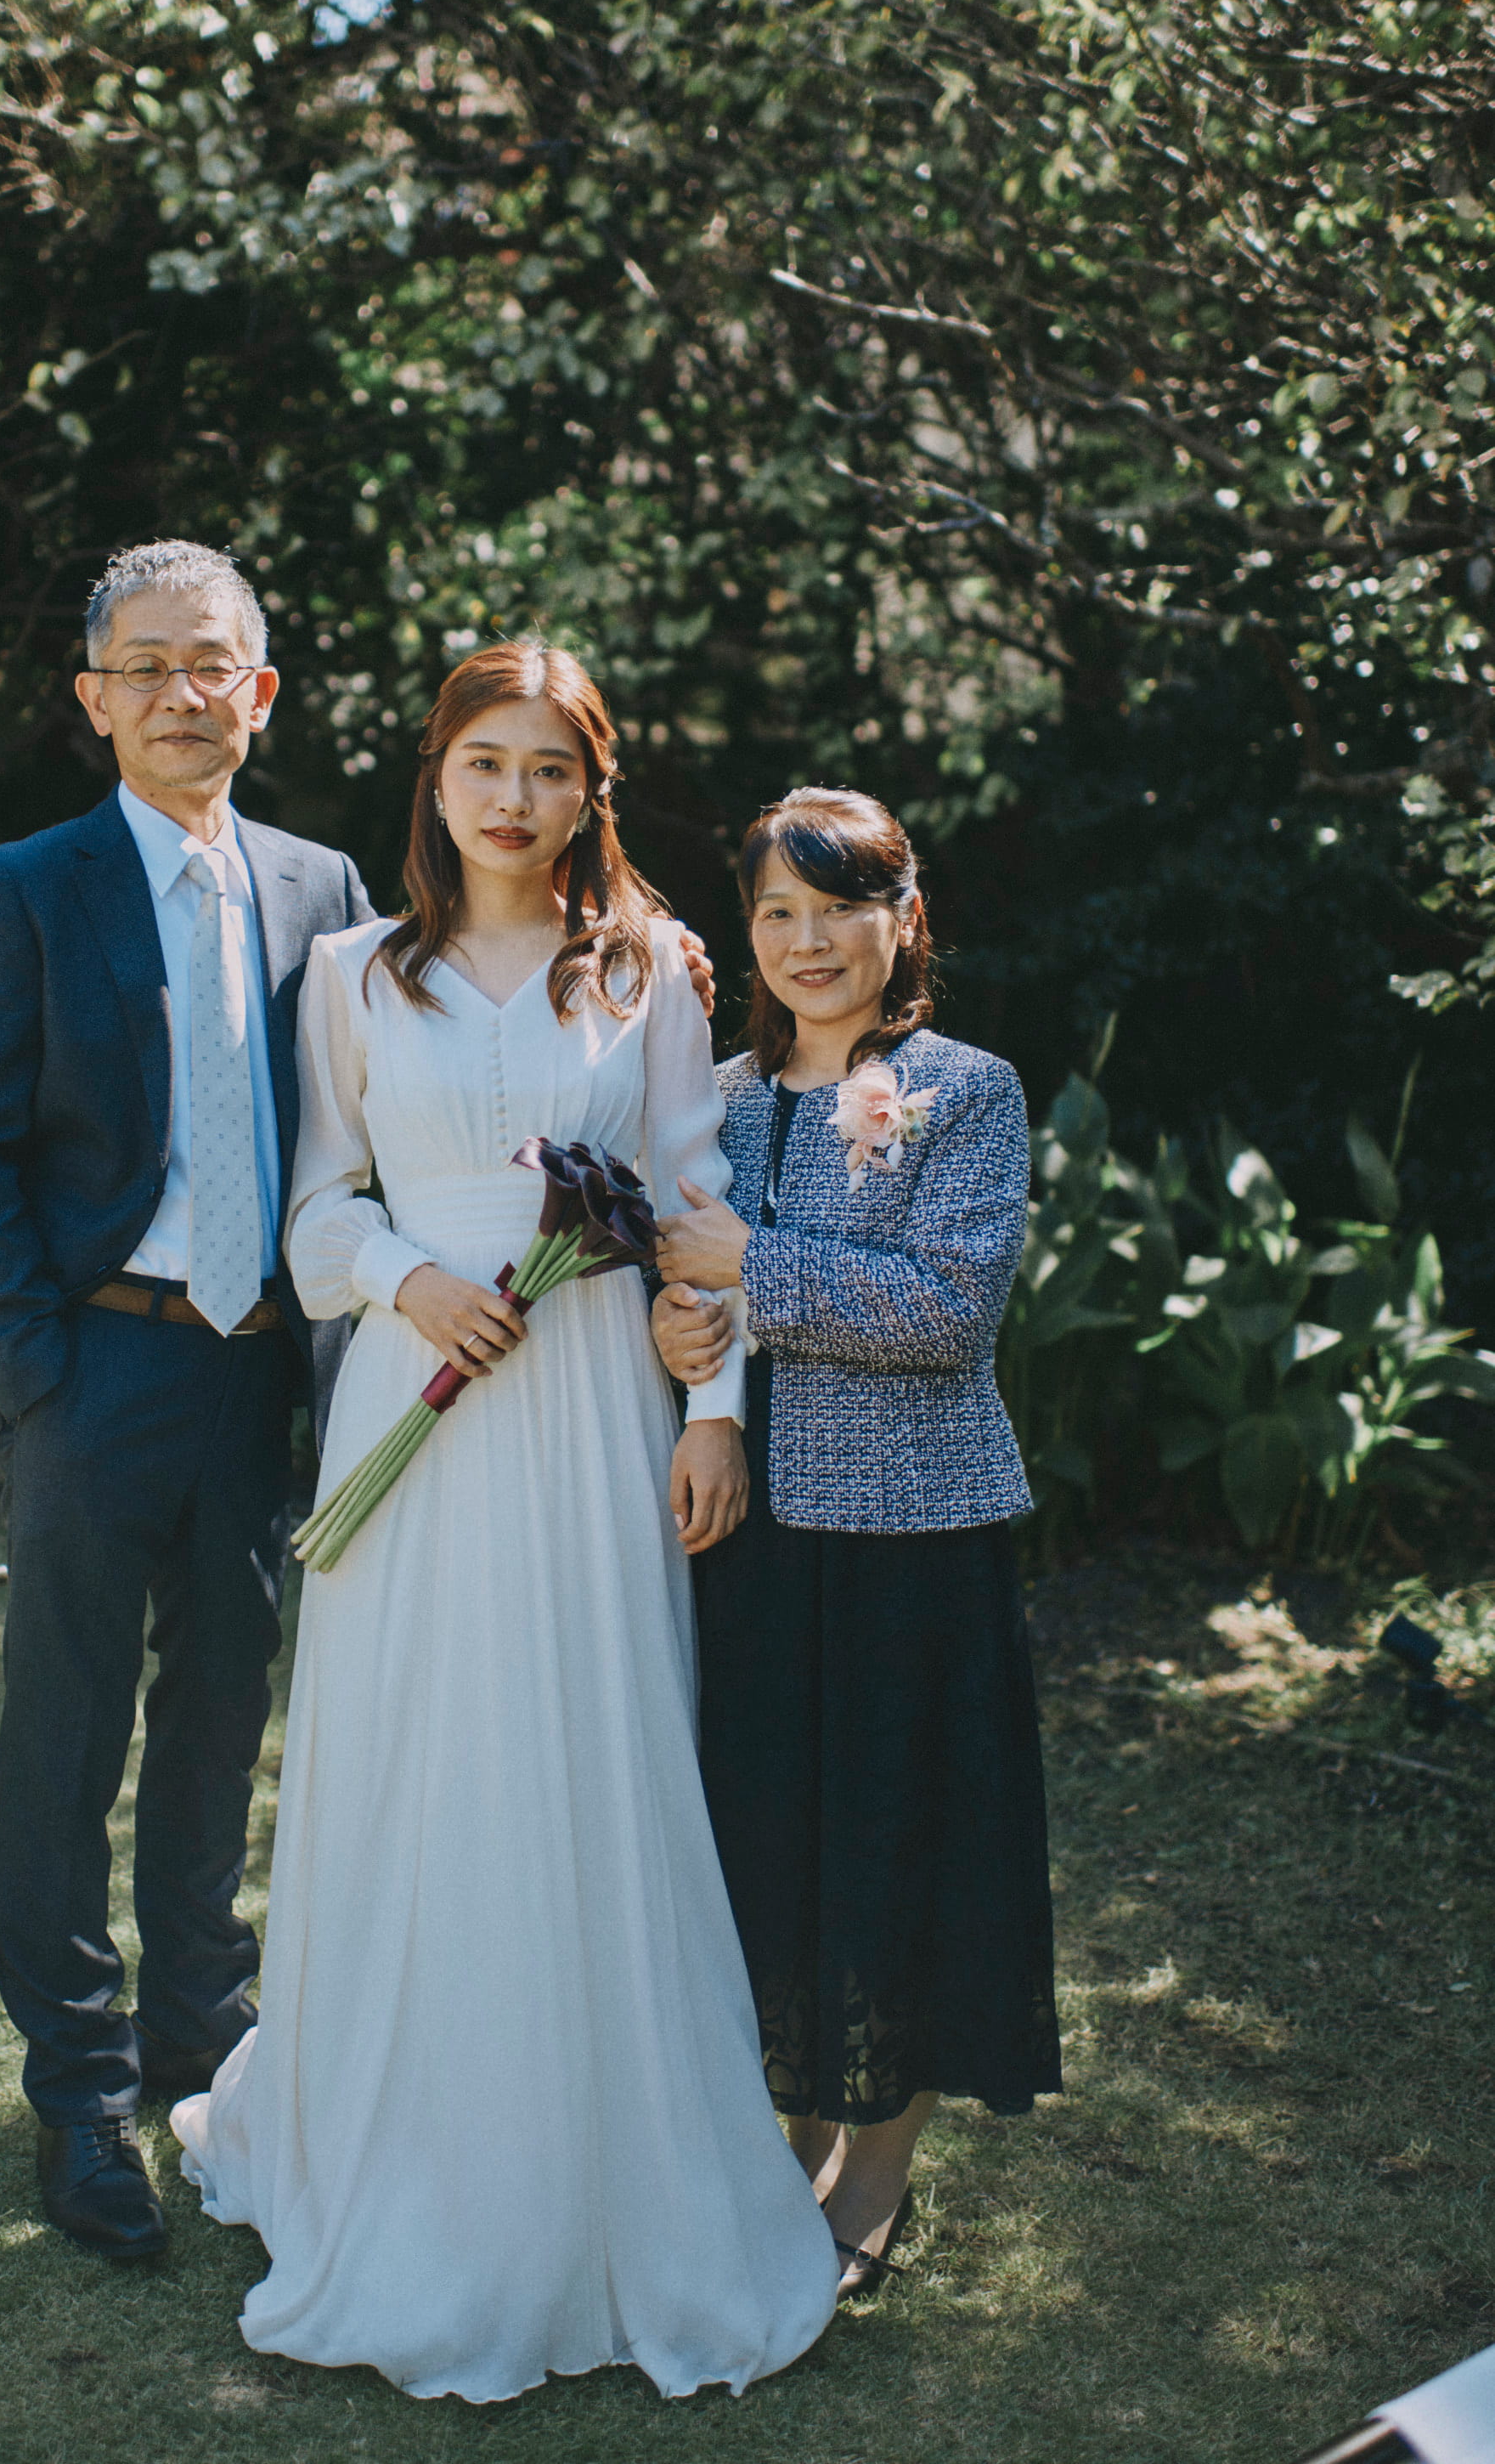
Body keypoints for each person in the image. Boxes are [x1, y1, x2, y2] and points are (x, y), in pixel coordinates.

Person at [0, 545, 714, 2262]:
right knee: (66, 1737)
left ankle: (206, 2037)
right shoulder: (25, 886)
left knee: (218, 1728)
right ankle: (79, 2095)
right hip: (96, 1359)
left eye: (218, 668)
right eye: (149, 668)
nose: (186, 696)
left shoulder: (321, 888)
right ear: (96, 696)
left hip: (269, 1366)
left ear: (263, 694)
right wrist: (36, 1370)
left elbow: (370, 1123)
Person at [170, 644, 838, 2400]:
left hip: (597, 1407)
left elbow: (695, 1206)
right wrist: (406, 1278)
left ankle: (611, 2187)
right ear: (438, 777)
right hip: (419, 1400)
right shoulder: (347, 977)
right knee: (417, 1764)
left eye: (552, 768)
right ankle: (395, 2157)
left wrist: (712, 1412)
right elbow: (318, 1210)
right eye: (487, 761)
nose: (516, 797)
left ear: (587, 793)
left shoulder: (648, 979)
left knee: (588, 1763)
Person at [652, 786, 1062, 2299]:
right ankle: (788, 2137)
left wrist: (750, 1264)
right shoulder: (717, 1093)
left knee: (895, 1849)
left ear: (902, 921)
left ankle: (875, 2175)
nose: (807, 942)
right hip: (750, 1540)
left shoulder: (964, 1089)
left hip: (912, 1534)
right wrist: (683, 1330)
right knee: (770, 1847)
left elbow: (947, 1314)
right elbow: (692, 1313)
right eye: (777, 912)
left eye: (838, 909)